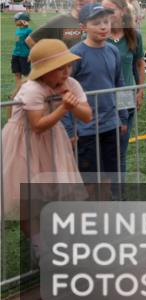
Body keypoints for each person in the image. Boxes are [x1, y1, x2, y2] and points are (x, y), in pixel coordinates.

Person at [1, 40, 91, 251]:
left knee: (54, 191)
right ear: (44, 70)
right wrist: (64, 108)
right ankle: (38, 246)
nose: (65, 72)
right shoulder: (32, 89)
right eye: (59, 68)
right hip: (24, 144)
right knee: (27, 198)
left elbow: (87, 115)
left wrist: (70, 101)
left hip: (51, 141)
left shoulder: (71, 84)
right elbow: (37, 125)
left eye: (67, 66)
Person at [65, 3, 124, 184]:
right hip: (85, 130)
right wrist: (70, 130)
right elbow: (65, 92)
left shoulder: (113, 51)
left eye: (106, 21)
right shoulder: (75, 55)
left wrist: (121, 116)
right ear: (83, 27)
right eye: (97, 23)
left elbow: (119, 84)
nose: (104, 27)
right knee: (90, 179)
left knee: (112, 176)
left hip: (111, 126)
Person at [102, 0, 145, 177]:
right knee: (99, 150)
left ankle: (117, 193)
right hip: (101, 99)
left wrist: (140, 91)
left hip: (125, 98)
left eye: (110, 10)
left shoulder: (134, 35)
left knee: (120, 150)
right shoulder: (98, 34)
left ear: (122, 11)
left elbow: (139, 64)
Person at [26, 0, 98, 49]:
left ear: (94, 0)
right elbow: (30, 40)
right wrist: (49, 61)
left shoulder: (101, 22)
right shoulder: (61, 20)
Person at [11, 12, 33, 97]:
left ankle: (26, 92)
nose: (15, 21)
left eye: (16, 20)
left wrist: (30, 54)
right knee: (17, 74)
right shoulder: (18, 29)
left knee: (26, 75)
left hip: (24, 55)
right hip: (15, 54)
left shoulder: (29, 30)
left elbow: (32, 43)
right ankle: (18, 93)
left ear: (23, 21)